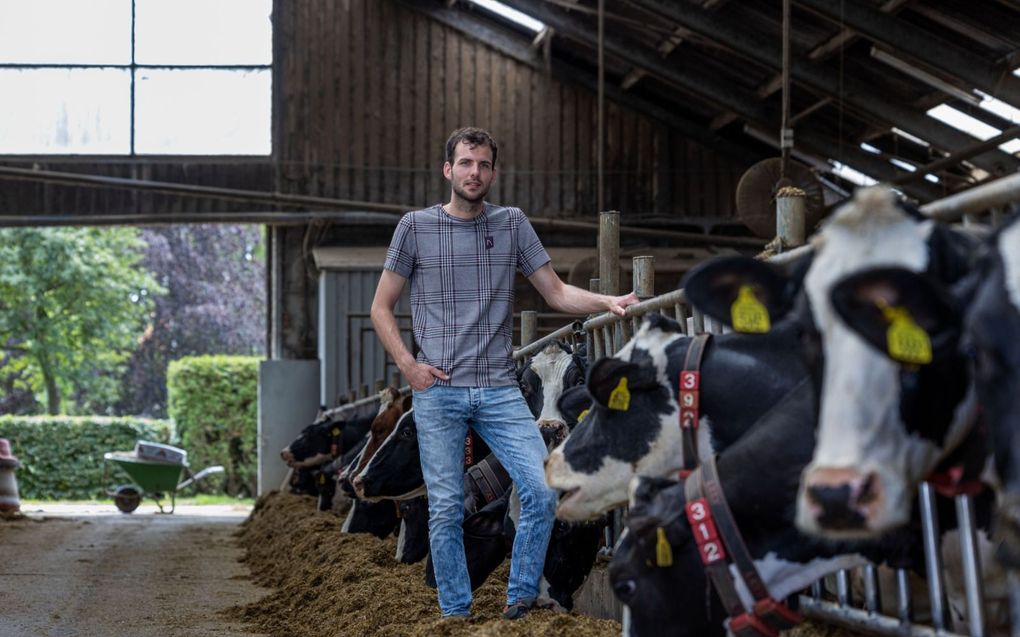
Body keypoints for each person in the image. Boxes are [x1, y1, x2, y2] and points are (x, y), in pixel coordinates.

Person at [371, 127, 638, 619]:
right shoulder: (414, 226)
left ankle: (519, 600)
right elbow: (381, 307)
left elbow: (556, 293)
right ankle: (456, 612)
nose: (475, 173)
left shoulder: (512, 224)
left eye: (484, 164)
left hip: (498, 388)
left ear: (493, 171)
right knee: (447, 506)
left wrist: (608, 301)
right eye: (466, 163)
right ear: (448, 170)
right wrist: (407, 366)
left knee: (540, 487)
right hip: (439, 389)